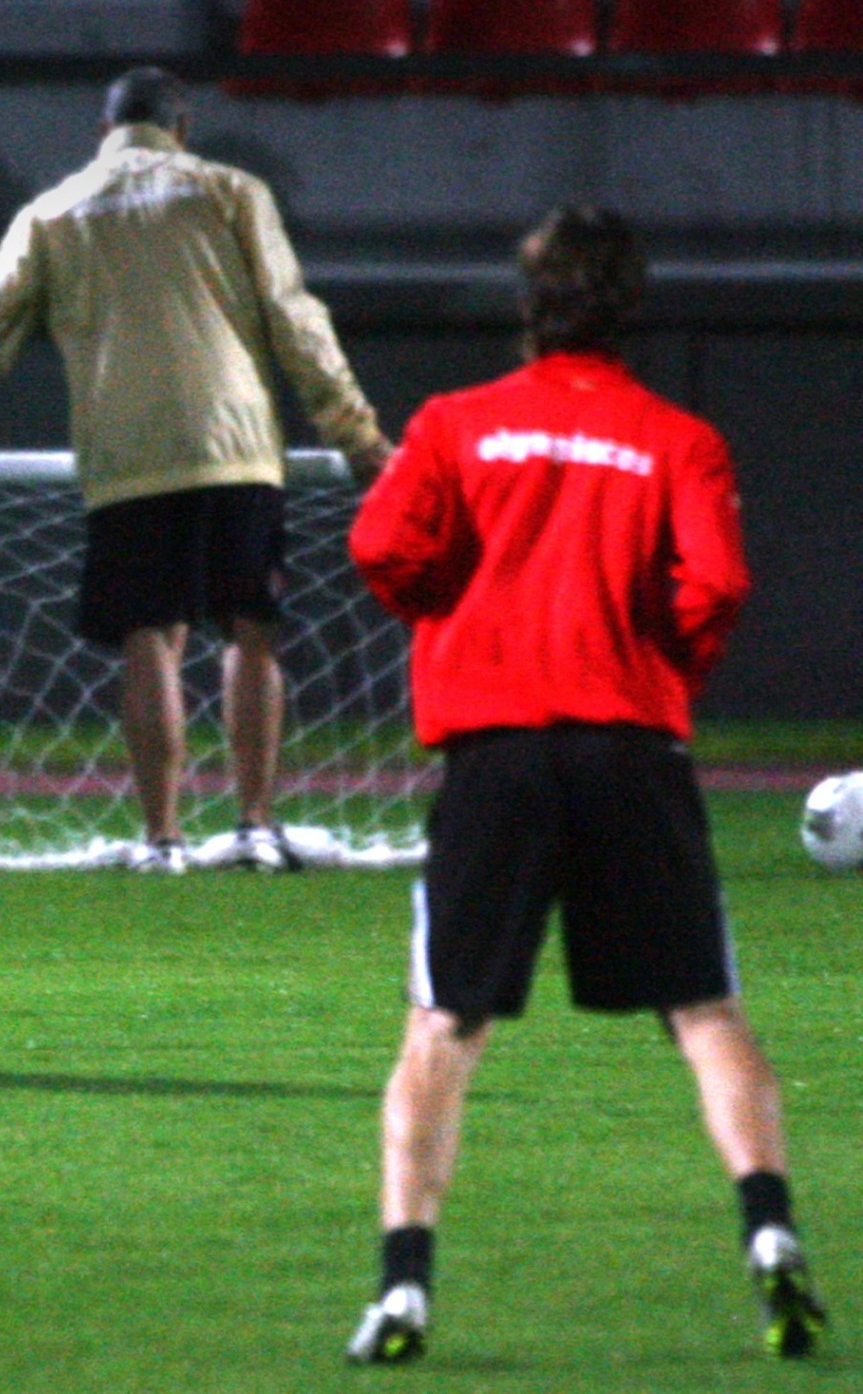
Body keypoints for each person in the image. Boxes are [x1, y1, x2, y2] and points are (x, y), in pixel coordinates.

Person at [341, 206, 826, 1365]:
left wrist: (457, 615)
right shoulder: (679, 439)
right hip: (628, 750)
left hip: (496, 755)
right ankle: (769, 1236)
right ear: (631, 308)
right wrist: (658, 657)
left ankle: (404, 1289)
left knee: (444, 1025)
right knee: (705, 1016)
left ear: (529, 304)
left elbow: (377, 546)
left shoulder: (457, 425)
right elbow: (717, 583)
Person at [0, 66, 390, 872]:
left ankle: (162, 839)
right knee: (250, 627)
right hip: (235, 441)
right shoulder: (229, 190)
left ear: (103, 132)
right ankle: (253, 825)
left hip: (128, 453)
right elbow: (293, 318)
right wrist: (356, 436)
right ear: (180, 129)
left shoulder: (53, 211)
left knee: (149, 636)